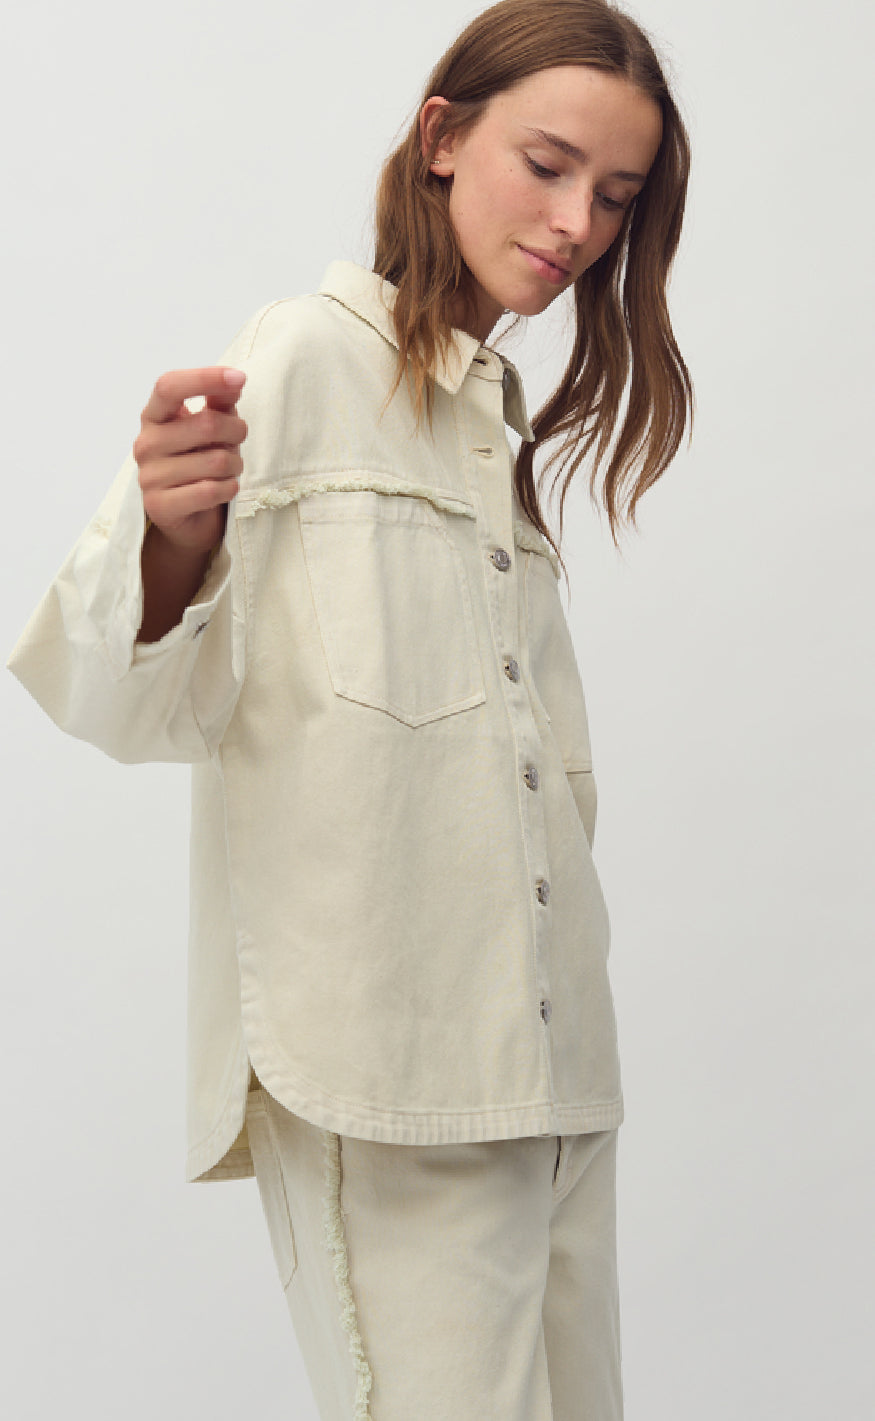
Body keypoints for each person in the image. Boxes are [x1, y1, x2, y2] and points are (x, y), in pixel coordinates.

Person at [7, 1, 692, 1416]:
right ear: (442, 137)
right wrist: (170, 538)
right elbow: (109, 695)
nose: (578, 224)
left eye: (617, 196)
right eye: (548, 164)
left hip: (558, 1073)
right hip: (394, 1075)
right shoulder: (304, 358)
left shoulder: (489, 419)